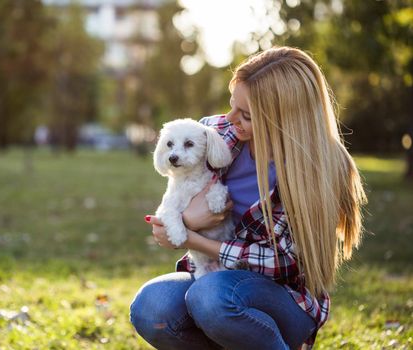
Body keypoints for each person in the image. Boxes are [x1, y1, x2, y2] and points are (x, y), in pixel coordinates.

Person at [130, 46, 366, 350]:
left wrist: (192, 238)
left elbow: (283, 263)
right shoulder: (214, 133)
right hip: (212, 277)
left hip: (283, 297)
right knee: (152, 306)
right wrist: (186, 221)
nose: (230, 118)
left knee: (211, 298)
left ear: (284, 121)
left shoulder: (315, 169)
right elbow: (169, 220)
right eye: (232, 105)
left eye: (246, 115)